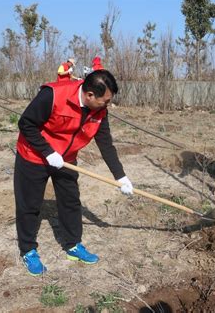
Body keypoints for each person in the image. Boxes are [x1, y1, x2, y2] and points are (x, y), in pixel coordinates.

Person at [15, 70, 134, 276]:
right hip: (33, 155)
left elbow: (105, 143)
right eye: (104, 101)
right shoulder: (53, 95)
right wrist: (48, 152)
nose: (107, 105)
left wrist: (120, 176)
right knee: (30, 204)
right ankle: (28, 250)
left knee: (70, 201)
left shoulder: (99, 111)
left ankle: (73, 246)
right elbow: (26, 123)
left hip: (66, 159)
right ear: (89, 95)